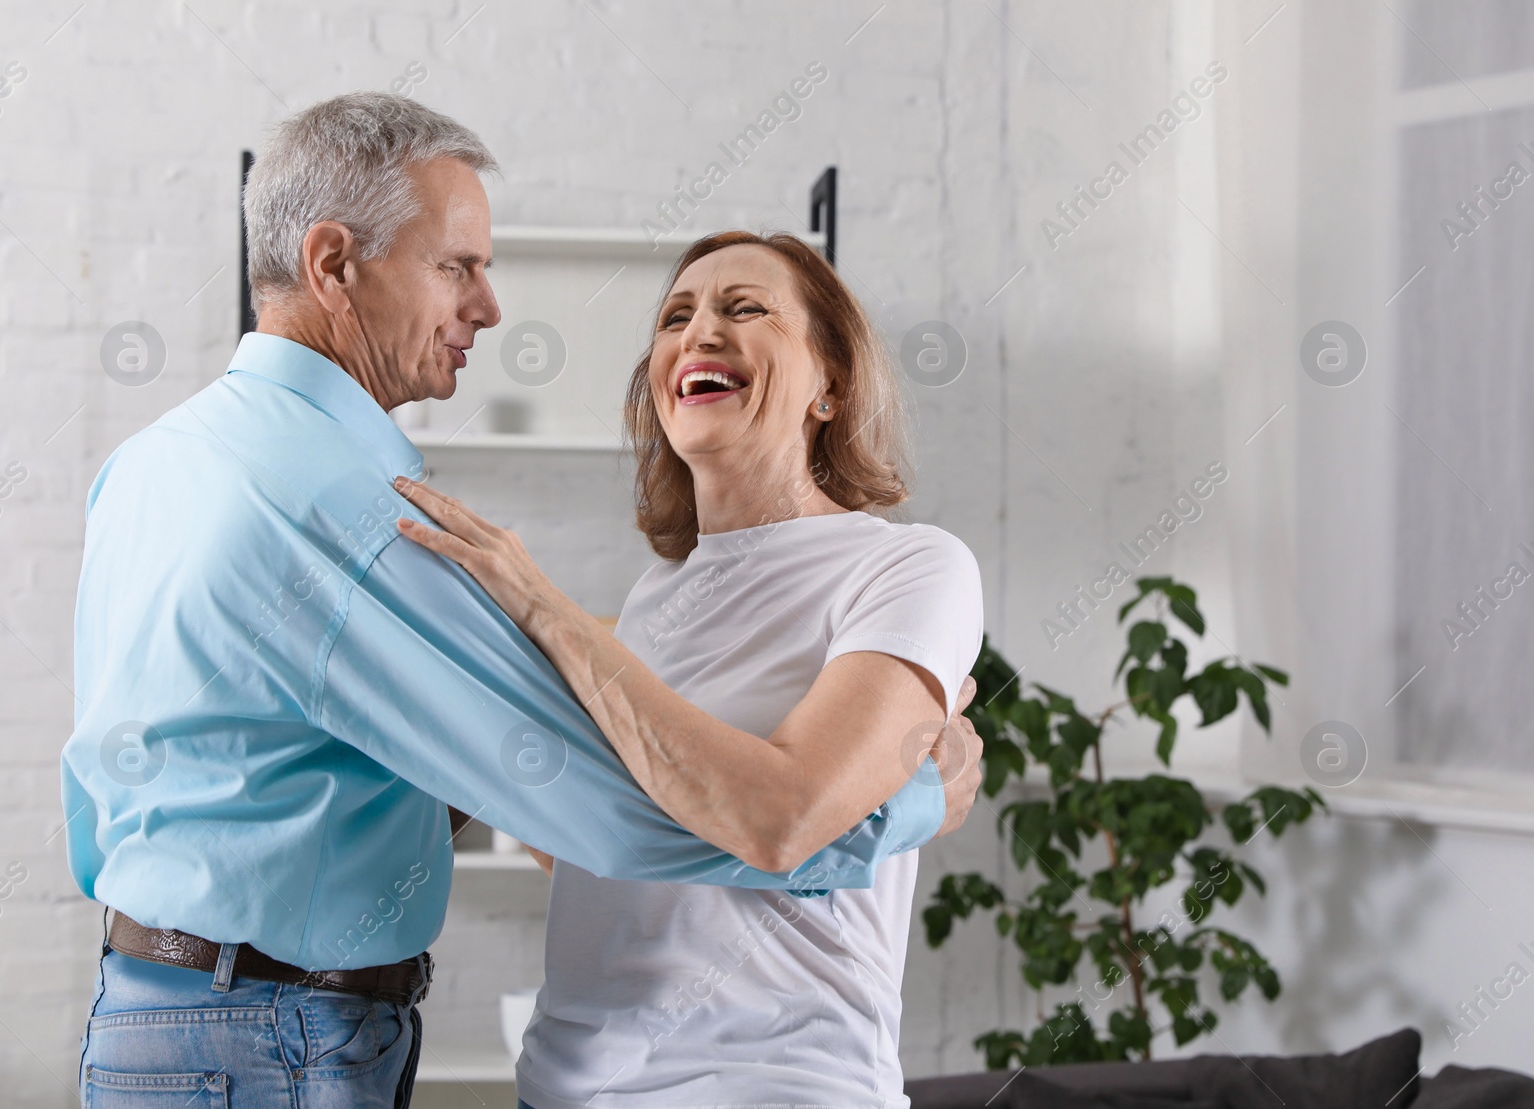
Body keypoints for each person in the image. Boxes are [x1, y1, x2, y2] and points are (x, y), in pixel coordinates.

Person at [59, 92, 981, 1109]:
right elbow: (627, 815)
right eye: (455, 265)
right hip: (277, 1041)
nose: (488, 307)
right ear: (332, 265)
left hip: (154, 1007)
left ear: (831, 383)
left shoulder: (152, 463)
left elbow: (440, 773)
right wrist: (901, 803)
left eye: (744, 308)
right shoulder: (358, 510)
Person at [394, 229, 986, 1109]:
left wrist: (544, 610)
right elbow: (602, 850)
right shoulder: (653, 597)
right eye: (677, 317)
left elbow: (781, 818)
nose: (698, 333)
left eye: (744, 309)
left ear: (829, 383)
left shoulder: (909, 569)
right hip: (567, 1087)